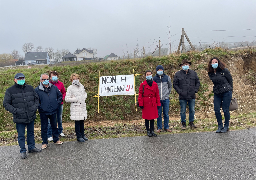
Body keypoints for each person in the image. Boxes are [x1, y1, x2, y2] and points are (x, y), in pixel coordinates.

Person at [3, 73, 41, 159]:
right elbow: (6, 103)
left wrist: (34, 108)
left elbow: (36, 99)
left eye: (22, 78)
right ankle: (23, 150)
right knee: (21, 135)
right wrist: (15, 111)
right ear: (15, 80)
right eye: (19, 78)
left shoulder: (30, 88)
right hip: (19, 117)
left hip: (30, 115)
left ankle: (31, 147)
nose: (21, 80)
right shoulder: (10, 91)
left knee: (31, 133)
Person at [35, 73, 63, 149]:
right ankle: (44, 142)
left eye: (47, 79)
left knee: (54, 126)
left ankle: (56, 140)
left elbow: (60, 96)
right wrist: (40, 107)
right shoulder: (37, 90)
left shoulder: (54, 88)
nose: (46, 81)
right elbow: (36, 101)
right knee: (44, 127)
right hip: (43, 112)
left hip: (53, 110)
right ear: (41, 80)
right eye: (44, 79)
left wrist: (56, 104)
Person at [173, 59, 200, 130]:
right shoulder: (177, 74)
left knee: (192, 110)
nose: (185, 66)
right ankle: (183, 124)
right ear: (181, 66)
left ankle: (191, 122)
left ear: (189, 65)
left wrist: (195, 90)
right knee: (183, 110)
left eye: (187, 64)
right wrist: (180, 92)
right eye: (184, 65)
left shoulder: (193, 73)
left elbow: (197, 82)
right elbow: (175, 85)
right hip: (182, 96)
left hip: (192, 95)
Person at [208, 57, 233, 133]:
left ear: (219, 63)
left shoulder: (224, 70)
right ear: (211, 64)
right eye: (213, 62)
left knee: (225, 110)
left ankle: (226, 126)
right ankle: (220, 126)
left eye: (216, 62)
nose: (214, 63)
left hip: (226, 92)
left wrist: (231, 90)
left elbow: (230, 80)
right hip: (217, 92)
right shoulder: (210, 73)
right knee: (216, 109)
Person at [65, 73, 88, 142]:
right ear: (71, 80)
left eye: (76, 79)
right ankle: (79, 136)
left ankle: (83, 135)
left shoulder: (81, 86)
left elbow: (84, 93)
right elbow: (67, 99)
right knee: (77, 122)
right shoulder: (70, 88)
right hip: (76, 107)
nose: (75, 80)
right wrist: (76, 99)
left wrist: (84, 97)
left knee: (82, 121)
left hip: (82, 106)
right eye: (74, 79)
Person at [138, 70, 161, 137]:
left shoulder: (155, 84)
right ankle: (148, 130)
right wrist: (140, 103)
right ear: (145, 76)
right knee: (147, 118)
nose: (149, 75)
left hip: (153, 103)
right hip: (146, 103)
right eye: (147, 74)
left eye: (150, 74)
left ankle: (152, 130)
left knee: (152, 118)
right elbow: (140, 94)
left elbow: (157, 94)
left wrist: (158, 103)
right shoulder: (142, 84)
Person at [47, 71, 66, 141]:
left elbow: (64, 92)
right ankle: (49, 134)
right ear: (50, 77)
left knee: (59, 118)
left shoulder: (60, 84)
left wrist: (62, 99)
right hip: (50, 105)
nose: (54, 77)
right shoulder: (47, 84)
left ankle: (60, 131)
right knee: (50, 120)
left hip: (59, 104)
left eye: (55, 75)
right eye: (53, 76)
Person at [153, 65, 172, 133]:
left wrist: (167, 94)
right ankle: (159, 127)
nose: (160, 71)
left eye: (161, 69)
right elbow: (153, 88)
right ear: (156, 71)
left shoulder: (167, 77)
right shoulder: (154, 79)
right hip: (158, 100)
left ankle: (166, 127)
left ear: (163, 70)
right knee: (158, 114)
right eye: (158, 70)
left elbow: (170, 86)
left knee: (166, 114)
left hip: (166, 99)